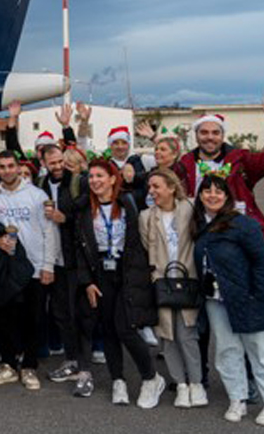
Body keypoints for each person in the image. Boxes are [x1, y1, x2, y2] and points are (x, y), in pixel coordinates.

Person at [75, 159, 166, 408]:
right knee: (109, 330)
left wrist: (141, 275)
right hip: (100, 274)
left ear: (113, 179)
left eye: (100, 176)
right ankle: (118, 380)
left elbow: (138, 243)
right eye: (91, 176)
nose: (94, 180)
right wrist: (87, 282)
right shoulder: (84, 209)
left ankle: (151, 377)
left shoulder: (128, 203)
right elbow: (79, 250)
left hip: (127, 273)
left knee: (126, 328)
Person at [194, 175, 264, 426]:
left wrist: (260, 295)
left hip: (249, 298)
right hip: (216, 300)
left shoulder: (243, 225)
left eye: (218, 191)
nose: (212, 195)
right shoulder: (200, 225)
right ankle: (237, 399)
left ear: (227, 196)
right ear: (200, 196)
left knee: (261, 352)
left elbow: (263, 261)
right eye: (207, 191)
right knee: (227, 350)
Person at [0, 150, 57, 391]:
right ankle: (8, 364)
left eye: (10, 166)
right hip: (5, 270)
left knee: (33, 319)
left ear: (17, 167)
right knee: (4, 318)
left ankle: (29, 367)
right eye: (1, 167)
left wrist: (48, 266)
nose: (6, 171)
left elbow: (49, 231)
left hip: (34, 268)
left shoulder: (37, 196)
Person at [179, 89, 264, 251]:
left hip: (238, 237)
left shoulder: (240, 159)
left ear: (223, 136)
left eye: (215, 132)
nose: (210, 137)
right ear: (196, 135)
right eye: (204, 132)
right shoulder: (184, 164)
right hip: (197, 235)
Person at [141, 168, 206, 408]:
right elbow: (147, 250)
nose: (152, 191)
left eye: (156, 186)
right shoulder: (146, 216)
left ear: (171, 187)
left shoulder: (189, 208)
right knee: (166, 337)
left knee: (187, 334)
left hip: (188, 280)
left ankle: (196, 384)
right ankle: (180, 384)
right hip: (161, 284)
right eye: (150, 187)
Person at [39, 143, 93, 395]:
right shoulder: (40, 185)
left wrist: (65, 216)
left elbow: (86, 206)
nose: (58, 166)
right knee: (61, 314)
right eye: (53, 163)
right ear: (44, 163)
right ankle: (71, 361)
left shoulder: (78, 181)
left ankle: (85, 370)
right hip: (54, 260)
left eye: (61, 161)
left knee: (80, 314)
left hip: (77, 259)